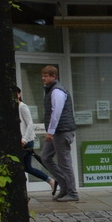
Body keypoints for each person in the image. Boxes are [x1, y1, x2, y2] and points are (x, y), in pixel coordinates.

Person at [38, 64, 79, 201]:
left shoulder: (57, 91)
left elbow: (56, 112)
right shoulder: (51, 90)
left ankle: (72, 193)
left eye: (46, 76)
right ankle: (64, 186)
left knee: (64, 163)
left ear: (53, 77)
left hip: (62, 131)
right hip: (57, 131)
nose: (43, 78)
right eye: (43, 75)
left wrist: (50, 131)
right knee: (45, 157)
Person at [16, 87, 53, 193]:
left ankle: (19, 191)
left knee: (16, 166)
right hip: (22, 141)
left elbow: (30, 124)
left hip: (25, 141)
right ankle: (51, 181)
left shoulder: (23, 107)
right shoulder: (14, 108)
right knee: (27, 168)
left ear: (19, 94)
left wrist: (24, 139)